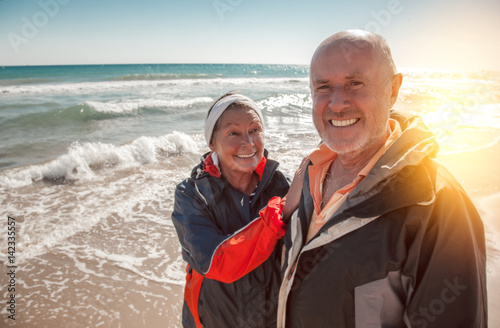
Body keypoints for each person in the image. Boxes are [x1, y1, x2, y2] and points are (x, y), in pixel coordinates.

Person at [277, 30, 487, 327]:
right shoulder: (309, 174)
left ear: (393, 90)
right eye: (323, 87)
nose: (337, 104)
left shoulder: (437, 203)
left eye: (355, 83)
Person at [172, 92, 303, 328]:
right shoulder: (192, 195)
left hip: (271, 319)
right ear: (212, 143)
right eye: (233, 133)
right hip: (212, 320)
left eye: (255, 129)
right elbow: (215, 262)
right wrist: (279, 212)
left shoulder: (280, 185)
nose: (249, 142)